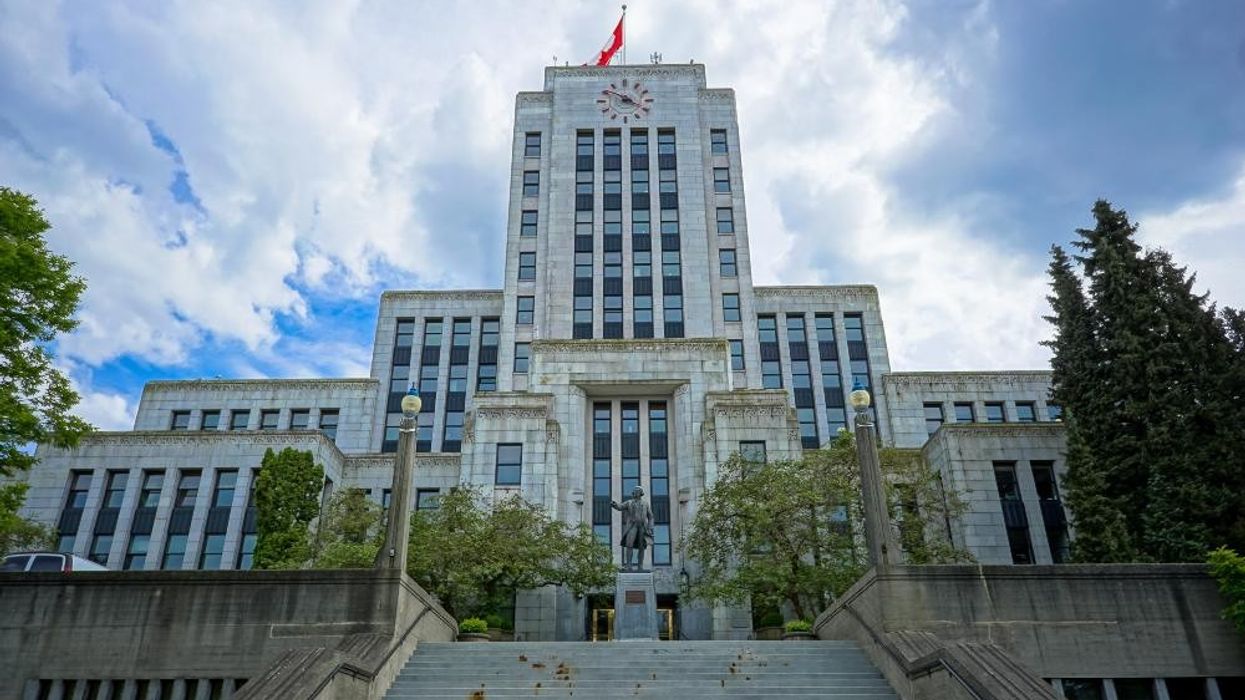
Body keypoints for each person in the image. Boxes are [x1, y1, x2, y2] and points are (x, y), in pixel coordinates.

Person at [611, 486, 654, 571]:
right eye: (633, 491)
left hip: (642, 527)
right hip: (632, 526)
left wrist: (650, 528)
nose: (634, 492)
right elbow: (620, 506)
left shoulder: (645, 504)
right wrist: (615, 505)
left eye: (636, 491)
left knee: (642, 546)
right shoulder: (629, 502)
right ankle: (629, 565)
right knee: (629, 544)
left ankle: (640, 566)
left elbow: (651, 516)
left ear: (640, 493)